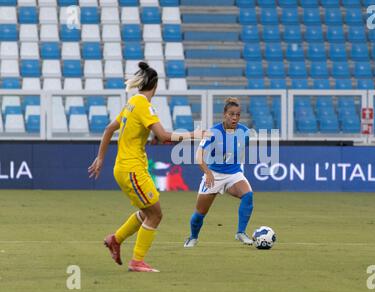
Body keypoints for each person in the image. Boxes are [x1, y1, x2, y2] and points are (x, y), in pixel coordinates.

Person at [88, 61, 203, 272]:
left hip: (125, 168)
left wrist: (100, 158)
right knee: (156, 214)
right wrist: (193, 135)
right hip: (132, 169)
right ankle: (137, 261)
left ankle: (115, 239)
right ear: (155, 86)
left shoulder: (132, 102)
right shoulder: (143, 105)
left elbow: (108, 129)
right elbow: (164, 136)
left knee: (147, 211)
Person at [184, 97, 255, 248]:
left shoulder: (245, 132)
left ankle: (241, 232)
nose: (234, 117)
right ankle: (193, 237)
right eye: (231, 114)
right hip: (214, 175)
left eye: (237, 114)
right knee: (199, 214)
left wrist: (239, 168)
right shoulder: (213, 132)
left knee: (248, 195)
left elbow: (240, 150)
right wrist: (207, 172)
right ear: (224, 114)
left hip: (233, 174)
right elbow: (198, 155)